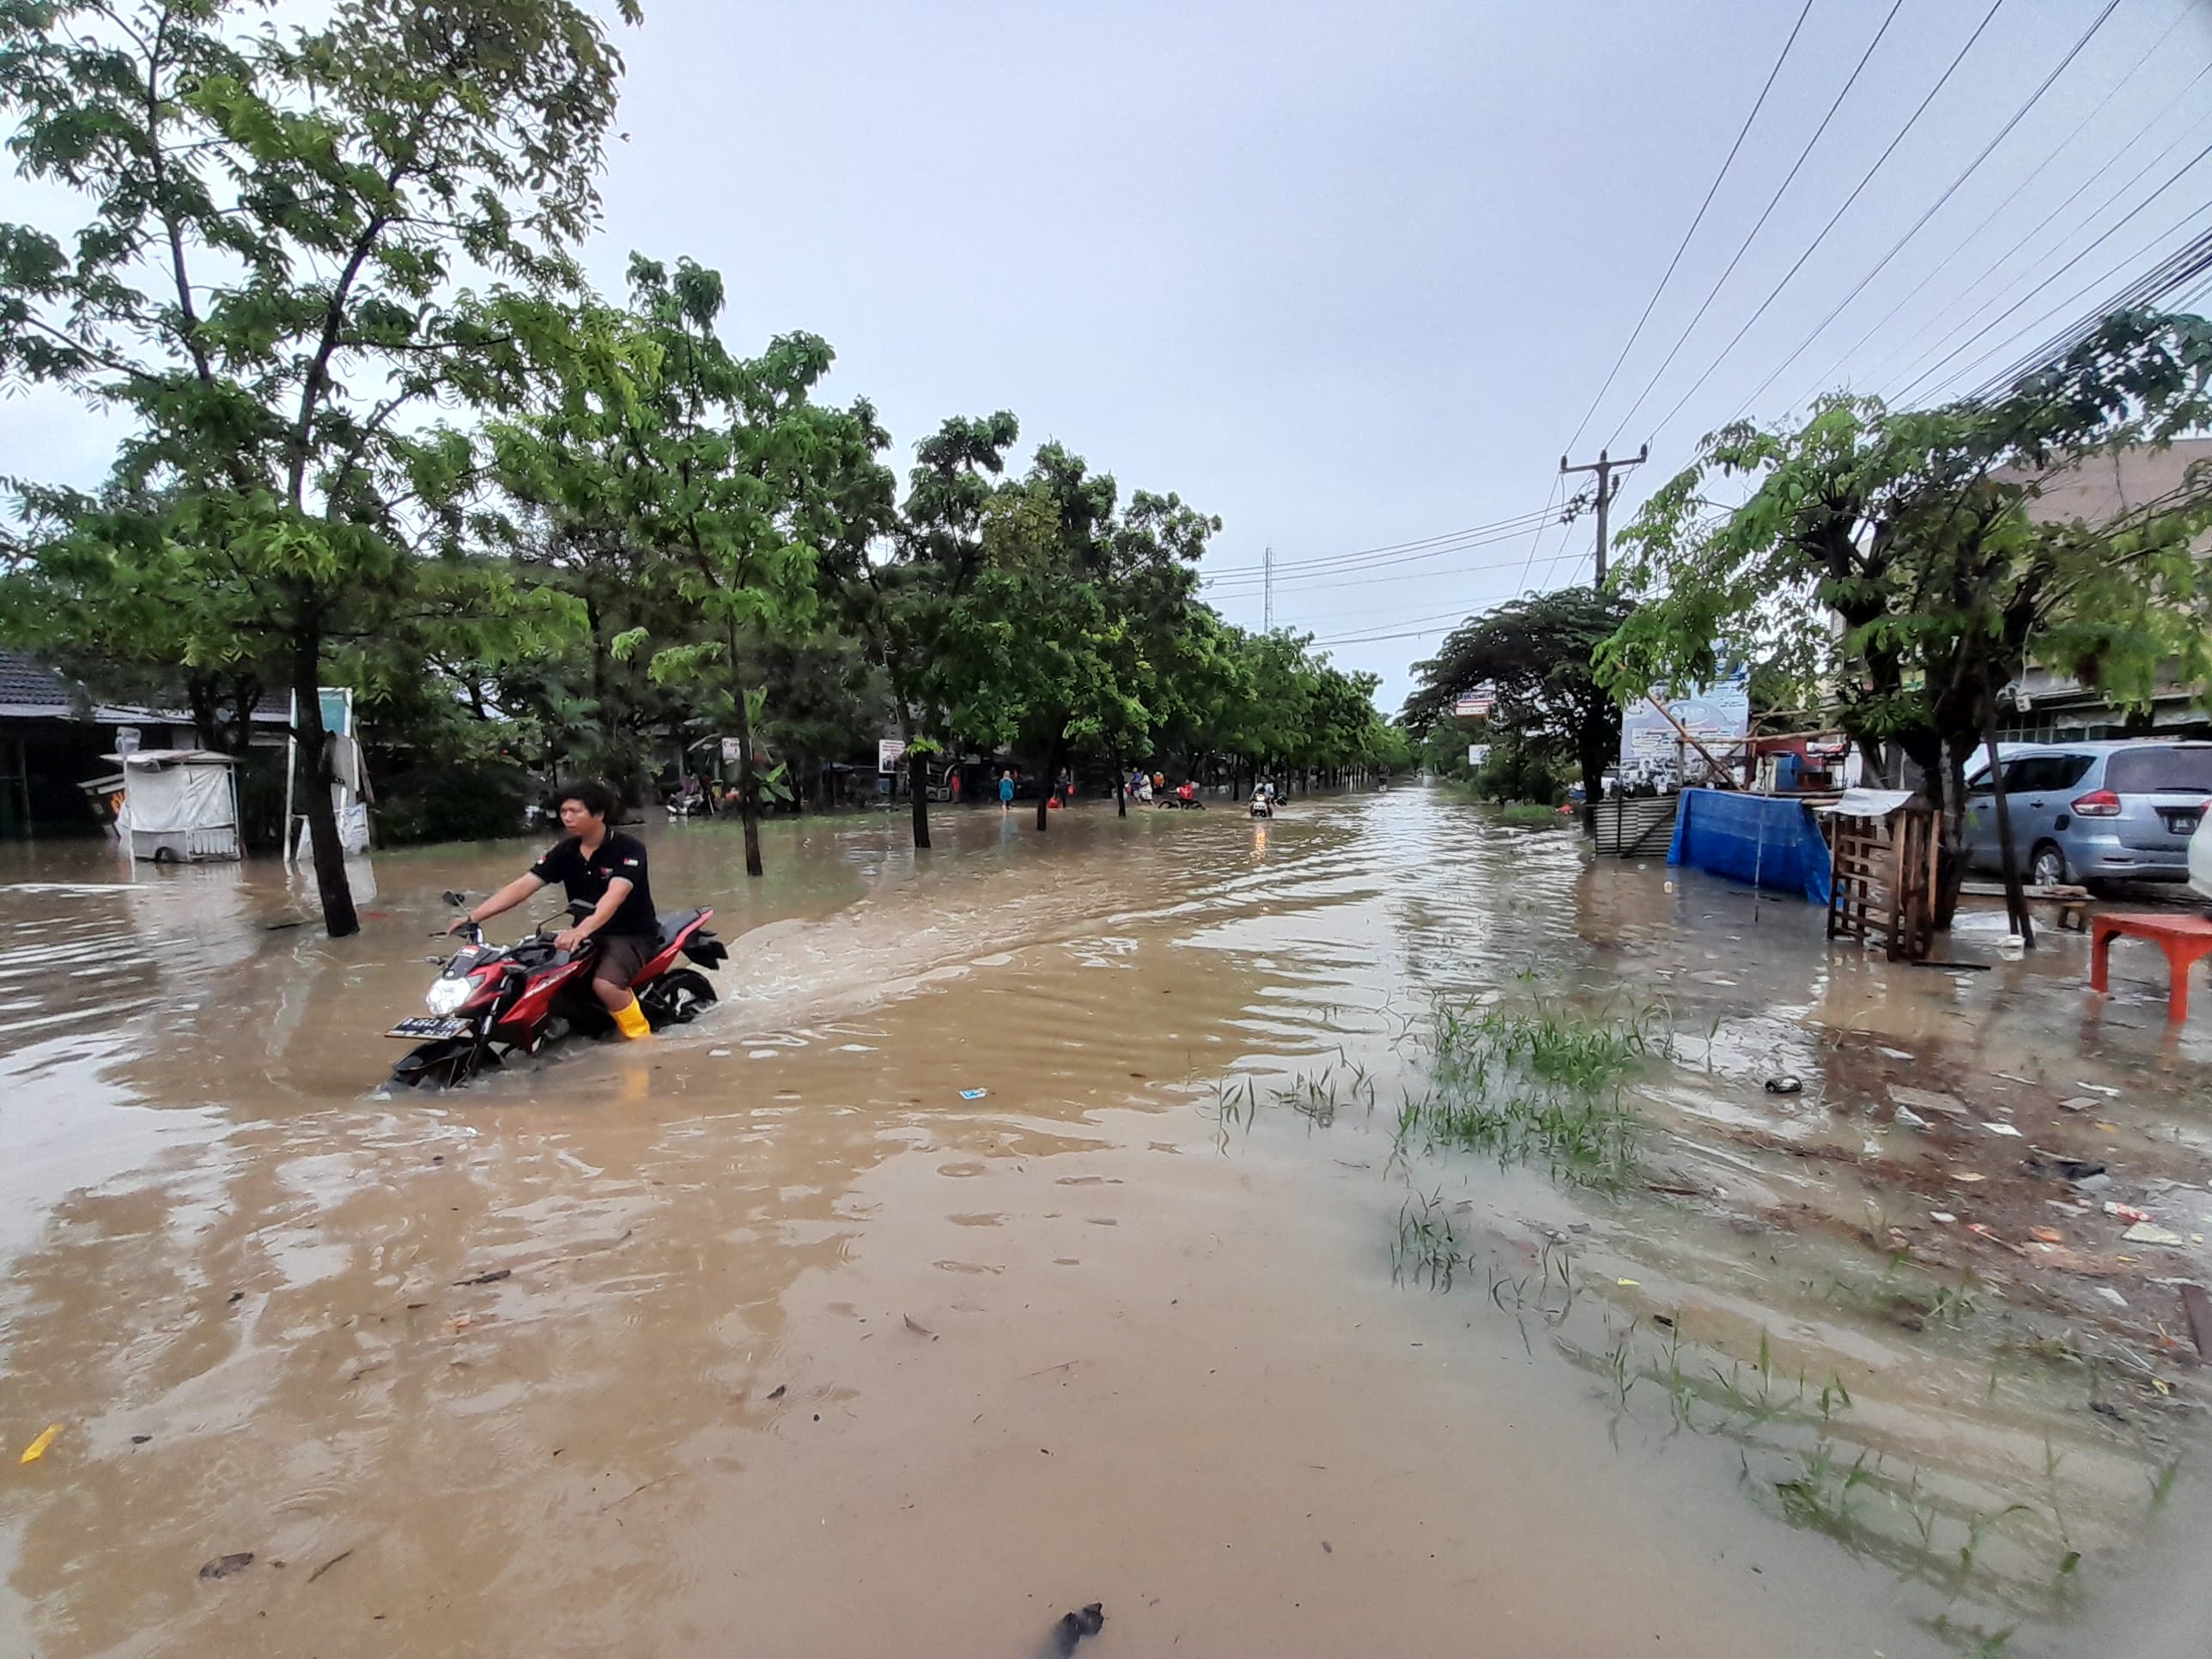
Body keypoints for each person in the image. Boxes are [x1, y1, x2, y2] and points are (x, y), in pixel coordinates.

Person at [452, 779, 659, 1041]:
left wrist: (581, 929)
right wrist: (473, 917)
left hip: (630, 935)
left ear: (599, 814)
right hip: (584, 935)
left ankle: (643, 1041)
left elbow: (614, 896)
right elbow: (523, 886)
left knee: (605, 985)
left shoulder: (629, 849)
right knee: (535, 977)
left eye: (575, 811)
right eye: (563, 812)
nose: (568, 818)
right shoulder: (565, 851)